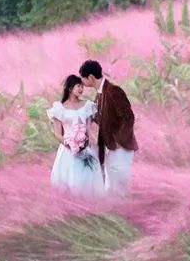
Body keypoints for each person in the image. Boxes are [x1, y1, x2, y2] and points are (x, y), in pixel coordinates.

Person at [78, 57, 136, 198]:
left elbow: (129, 117)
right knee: (111, 184)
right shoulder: (99, 95)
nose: (82, 83)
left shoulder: (113, 91)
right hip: (111, 147)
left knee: (120, 185)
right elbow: (104, 120)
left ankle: (124, 211)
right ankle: (115, 212)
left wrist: (118, 141)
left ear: (90, 77)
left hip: (121, 147)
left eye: (83, 79)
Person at [46, 72, 106, 201]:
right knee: (70, 182)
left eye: (81, 86)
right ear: (69, 88)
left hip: (85, 149)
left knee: (86, 182)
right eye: (78, 86)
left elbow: (89, 131)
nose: (81, 89)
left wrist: (86, 145)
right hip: (67, 151)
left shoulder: (88, 106)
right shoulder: (59, 108)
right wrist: (70, 144)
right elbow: (57, 134)